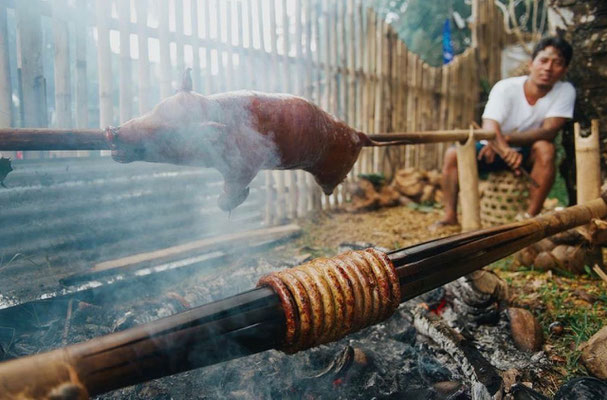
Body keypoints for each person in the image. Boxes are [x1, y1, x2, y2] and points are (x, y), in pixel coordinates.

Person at [434, 36, 575, 228]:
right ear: (531, 63)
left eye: (557, 63)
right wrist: (501, 148)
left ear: (564, 70)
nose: (548, 68)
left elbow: (549, 131)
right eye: (543, 61)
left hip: (524, 153)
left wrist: (504, 140)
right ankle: (450, 215)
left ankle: (529, 219)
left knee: (546, 149)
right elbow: (489, 126)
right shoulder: (506, 87)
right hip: (491, 150)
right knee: (452, 155)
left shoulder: (565, 90)